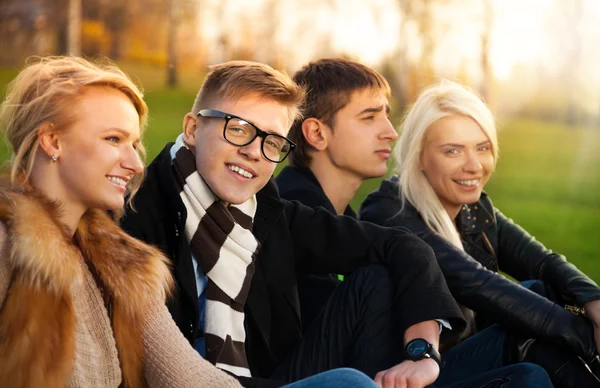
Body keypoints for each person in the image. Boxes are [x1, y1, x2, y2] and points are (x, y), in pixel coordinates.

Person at [0, 56, 385, 388]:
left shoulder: (125, 262)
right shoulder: (8, 245)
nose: (135, 163)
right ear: (52, 141)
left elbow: (190, 377)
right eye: (113, 139)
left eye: (134, 144)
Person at [120, 60, 469, 388]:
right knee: (350, 384)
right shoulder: (139, 213)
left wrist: (422, 351)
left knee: (374, 281)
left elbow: (402, 246)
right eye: (238, 129)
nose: (254, 152)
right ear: (193, 129)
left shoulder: (267, 215)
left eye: (271, 141)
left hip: (274, 378)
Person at [277, 57, 556, 388]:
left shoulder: (344, 220)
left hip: (384, 371)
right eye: (369, 118)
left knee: (530, 355)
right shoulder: (289, 212)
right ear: (316, 133)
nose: (391, 132)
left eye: (386, 115)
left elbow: (544, 263)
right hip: (327, 379)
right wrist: (420, 351)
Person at [359, 80, 600, 387]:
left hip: (463, 356)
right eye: (453, 151)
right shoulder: (389, 211)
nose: (473, 165)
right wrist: (586, 338)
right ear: (419, 157)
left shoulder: (475, 209)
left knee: (540, 289)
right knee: (530, 363)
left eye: (482, 148)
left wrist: (595, 300)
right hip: (411, 372)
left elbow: (544, 262)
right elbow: (477, 283)